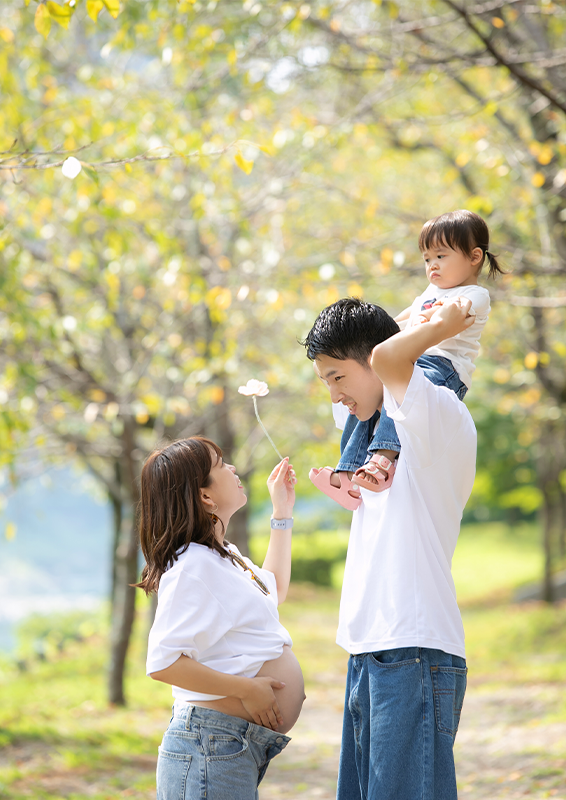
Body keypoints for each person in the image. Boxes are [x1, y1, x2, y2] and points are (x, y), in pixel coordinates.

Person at [302, 296, 477, 800]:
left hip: (413, 648)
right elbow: (375, 368)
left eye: (338, 377)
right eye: (325, 381)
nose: (334, 395)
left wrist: (439, 324)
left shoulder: (432, 412)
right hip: (369, 649)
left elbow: (388, 361)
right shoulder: (372, 431)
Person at [138, 437, 304, 800]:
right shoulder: (192, 566)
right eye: (221, 465)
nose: (233, 469)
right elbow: (163, 663)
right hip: (208, 744)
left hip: (226, 743)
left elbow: (273, 590)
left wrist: (282, 513)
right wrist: (246, 689)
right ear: (205, 496)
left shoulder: (223, 555)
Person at [309, 209, 502, 508]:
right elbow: (399, 322)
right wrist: (375, 335)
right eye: (427, 259)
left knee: (394, 398)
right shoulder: (431, 291)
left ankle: (384, 460)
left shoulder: (475, 294)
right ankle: (346, 473)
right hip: (415, 359)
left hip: (444, 368)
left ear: (474, 257)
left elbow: (450, 318)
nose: (432, 266)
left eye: (441, 256)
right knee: (368, 406)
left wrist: (425, 321)